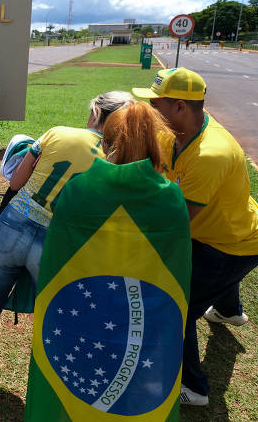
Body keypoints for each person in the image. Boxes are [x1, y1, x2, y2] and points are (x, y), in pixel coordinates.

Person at [0, 91, 135, 403]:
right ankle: (49, 395)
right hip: (53, 243)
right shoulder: (112, 163)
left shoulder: (57, 133)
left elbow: (16, 183)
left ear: (95, 112)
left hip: (12, 226)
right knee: (54, 321)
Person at [23, 102, 191, 420]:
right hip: (145, 329)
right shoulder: (171, 199)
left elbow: (58, 265)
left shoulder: (78, 192)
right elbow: (176, 268)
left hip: (82, 322)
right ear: (156, 146)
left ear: (106, 143)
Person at [132, 67, 258, 406]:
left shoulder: (209, 154)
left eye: (155, 103)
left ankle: (194, 388)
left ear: (179, 107)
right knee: (210, 280)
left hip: (231, 245)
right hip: (222, 228)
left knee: (180, 306)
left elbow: (178, 224)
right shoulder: (172, 133)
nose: (150, 110)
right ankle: (230, 311)